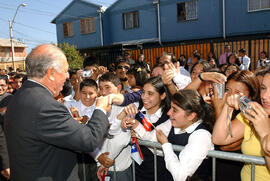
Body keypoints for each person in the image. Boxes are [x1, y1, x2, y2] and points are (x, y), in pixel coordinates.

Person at [5, 44, 111, 181]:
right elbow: (89, 140)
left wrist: (70, 125)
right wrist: (101, 109)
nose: (68, 76)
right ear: (51, 73)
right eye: (65, 71)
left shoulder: (20, 96)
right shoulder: (45, 106)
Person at [122, 89, 214, 181]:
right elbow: (151, 139)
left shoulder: (201, 136)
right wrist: (135, 124)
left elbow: (180, 176)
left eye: (175, 110)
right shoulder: (171, 124)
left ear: (191, 116)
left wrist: (166, 145)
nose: (169, 113)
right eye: (170, 108)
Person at [211, 69, 270, 180]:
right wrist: (228, 107)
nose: (265, 96)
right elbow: (218, 139)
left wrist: (265, 134)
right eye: (263, 88)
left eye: (238, 92)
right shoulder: (252, 114)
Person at [118, 76, 172, 181]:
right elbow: (115, 133)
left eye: (150, 94)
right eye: (143, 92)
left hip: (161, 174)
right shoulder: (136, 111)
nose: (144, 97)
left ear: (162, 95)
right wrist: (122, 119)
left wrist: (137, 127)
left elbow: (158, 143)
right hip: (137, 172)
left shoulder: (169, 117)